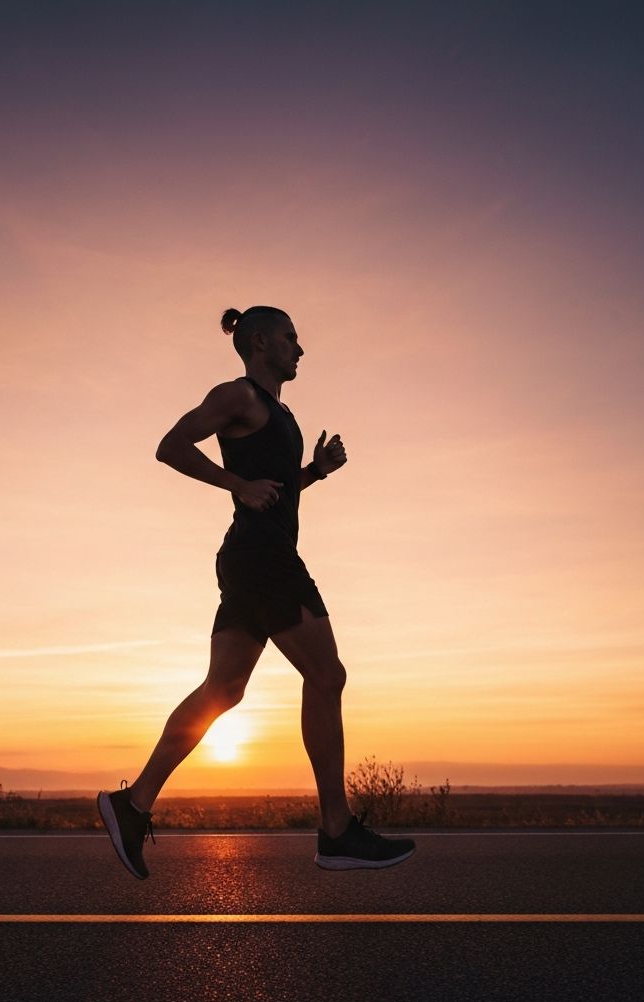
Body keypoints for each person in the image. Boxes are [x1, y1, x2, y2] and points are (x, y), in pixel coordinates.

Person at [97, 305, 416, 879]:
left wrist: (314, 472)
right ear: (261, 341)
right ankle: (337, 830)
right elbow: (170, 445)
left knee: (224, 690)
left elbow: (275, 491)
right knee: (327, 677)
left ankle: (133, 801)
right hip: (265, 561)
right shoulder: (237, 395)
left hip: (252, 560)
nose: (300, 348)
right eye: (292, 338)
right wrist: (235, 483)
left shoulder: (280, 412)